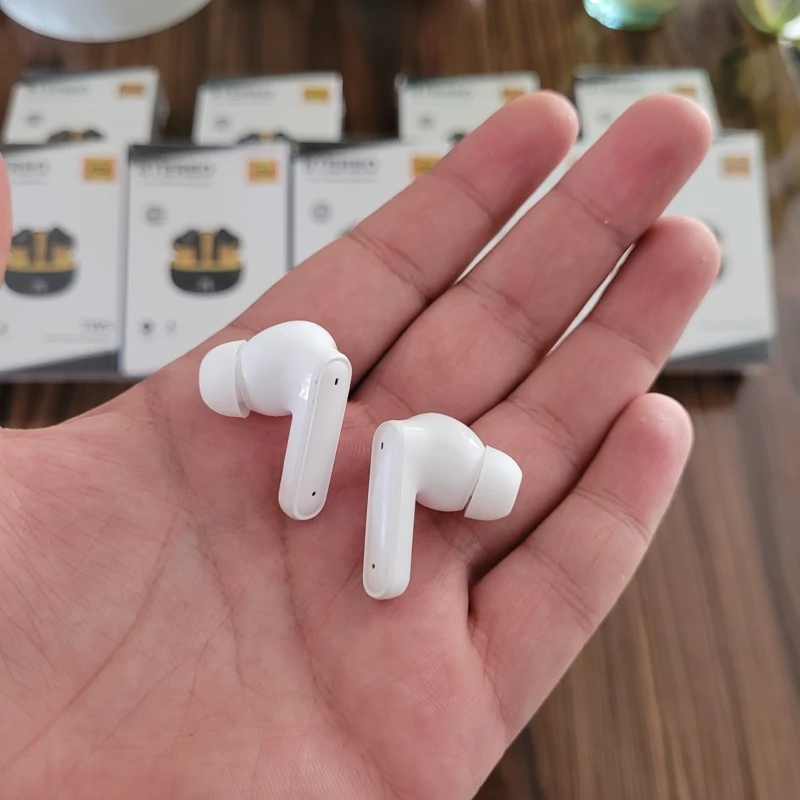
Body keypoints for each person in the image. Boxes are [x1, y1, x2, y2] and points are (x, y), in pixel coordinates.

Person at [0, 92, 718, 798]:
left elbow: (366, 440)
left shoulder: (343, 400)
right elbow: (360, 439)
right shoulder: (327, 393)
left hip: (375, 420)